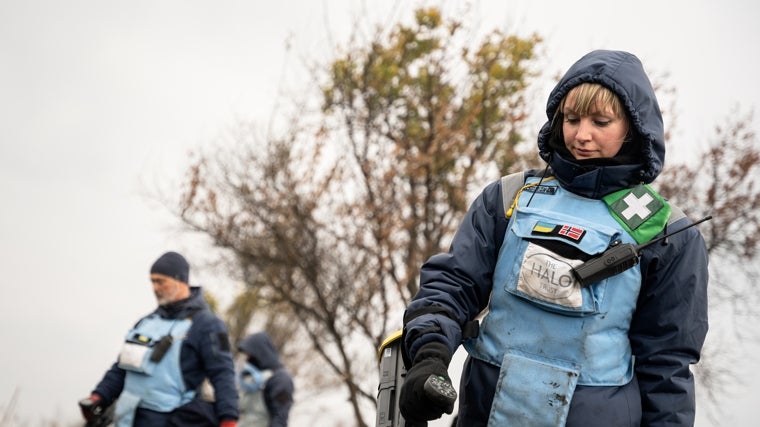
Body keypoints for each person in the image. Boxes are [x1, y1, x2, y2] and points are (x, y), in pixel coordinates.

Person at [398, 50, 709, 426]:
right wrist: (431, 353)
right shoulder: (510, 197)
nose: (582, 135)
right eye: (572, 118)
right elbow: (453, 285)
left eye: (601, 121)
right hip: (486, 413)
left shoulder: (666, 233)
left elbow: (666, 364)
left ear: (634, 126)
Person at [80, 251, 239, 427]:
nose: (155, 288)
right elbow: (121, 369)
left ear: (180, 281)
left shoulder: (207, 325)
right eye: (152, 282)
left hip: (175, 421)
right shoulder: (145, 323)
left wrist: (229, 418)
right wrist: (98, 396)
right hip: (128, 420)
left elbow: (223, 374)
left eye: (160, 281)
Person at [236, 331, 295, 427]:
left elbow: (280, 417)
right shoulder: (253, 377)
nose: (247, 360)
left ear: (259, 352)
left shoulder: (280, 379)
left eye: (250, 355)